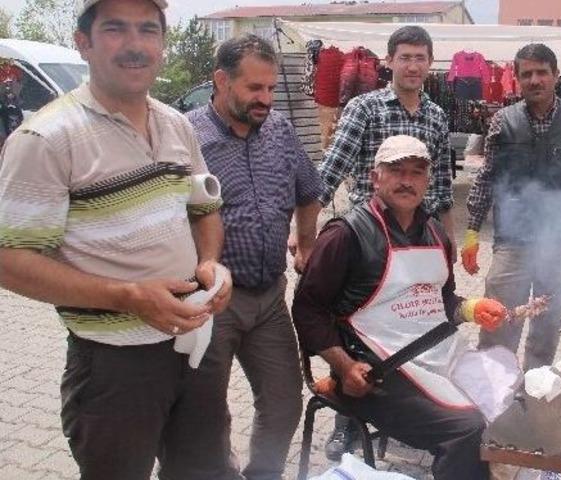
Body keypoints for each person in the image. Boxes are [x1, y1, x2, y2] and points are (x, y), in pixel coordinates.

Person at [0, 1, 232, 479]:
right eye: (115, 29)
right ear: (82, 41)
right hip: (114, 367)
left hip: (195, 342)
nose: (134, 44)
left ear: (162, 44)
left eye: (148, 30)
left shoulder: (176, 124)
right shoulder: (45, 138)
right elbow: (9, 259)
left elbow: (204, 207)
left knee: (205, 471)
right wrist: (126, 296)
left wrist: (212, 262)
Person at [292, 135, 506, 479]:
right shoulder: (346, 234)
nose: (407, 180)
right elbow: (307, 310)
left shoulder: (436, 232)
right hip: (377, 375)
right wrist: (344, 367)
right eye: (397, 171)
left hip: (437, 358)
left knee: (508, 401)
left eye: (417, 172)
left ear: (428, 181)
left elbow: (443, 299)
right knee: (466, 428)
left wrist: (470, 308)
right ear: (376, 177)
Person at [304, 25, 457, 458]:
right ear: (388, 61)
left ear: (430, 63)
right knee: (358, 328)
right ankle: (347, 420)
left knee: (412, 325)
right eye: (404, 57)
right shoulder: (364, 108)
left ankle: (413, 407)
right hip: (366, 240)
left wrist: (448, 246)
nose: (412, 65)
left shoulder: (436, 116)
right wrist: (306, 239)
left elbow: (442, 186)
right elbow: (327, 174)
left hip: (415, 239)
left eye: (420, 57)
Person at [181, 34, 324, 480]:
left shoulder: (279, 130)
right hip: (210, 302)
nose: (265, 99)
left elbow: (309, 189)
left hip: (268, 299)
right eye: (254, 89)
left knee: (283, 402)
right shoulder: (186, 136)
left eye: (270, 88)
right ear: (221, 81)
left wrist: (306, 239)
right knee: (204, 414)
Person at [461, 43, 561, 370]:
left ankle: (532, 396)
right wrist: (472, 230)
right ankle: (494, 397)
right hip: (512, 243)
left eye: (542, 72)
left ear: (556, 76)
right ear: (516, 80)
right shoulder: (503, 121)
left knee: (546, 329)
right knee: (498, 322)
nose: (535, 80)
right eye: (527, 74)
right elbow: (487, 176)